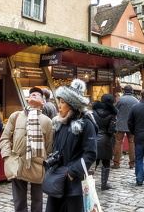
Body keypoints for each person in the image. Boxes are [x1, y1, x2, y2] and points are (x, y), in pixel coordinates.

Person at [45, 79, 98, 212]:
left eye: (63, 102)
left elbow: (90, 153)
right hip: (57, 181)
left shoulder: (86, 124)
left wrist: (72, 172)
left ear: (72, 105)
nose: (59, 106)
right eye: (59, 102)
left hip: (74, 183)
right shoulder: (60, 123)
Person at [0, 87, 53, 212]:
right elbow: (5, 138)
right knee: (19, 201)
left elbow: (50, 146)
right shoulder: (16, 116)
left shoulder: (47, 122)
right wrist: (7, 157)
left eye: (38, 94)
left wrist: (46, 163)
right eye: (32, 93)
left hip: (37, 165)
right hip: (17, 162)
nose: (34, 94)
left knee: (37, 201)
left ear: (43, 102)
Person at [92, 93, 117, 190]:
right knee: (106, 163)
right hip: (106, 140)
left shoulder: (93, 112)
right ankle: (104, 183)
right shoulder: (112, 114)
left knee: (93, 162)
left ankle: (89, 181)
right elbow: (111, 129)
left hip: (94, 139)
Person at [112, 85, 138, 169]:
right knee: (132, 143)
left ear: (124, 91)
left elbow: (115, 110)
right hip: (132, 125)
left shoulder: (120, 100)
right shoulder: (136, 101)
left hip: (120, 124)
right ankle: (132, 163)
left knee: (118, 142)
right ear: (132, 91)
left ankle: (116, 162)